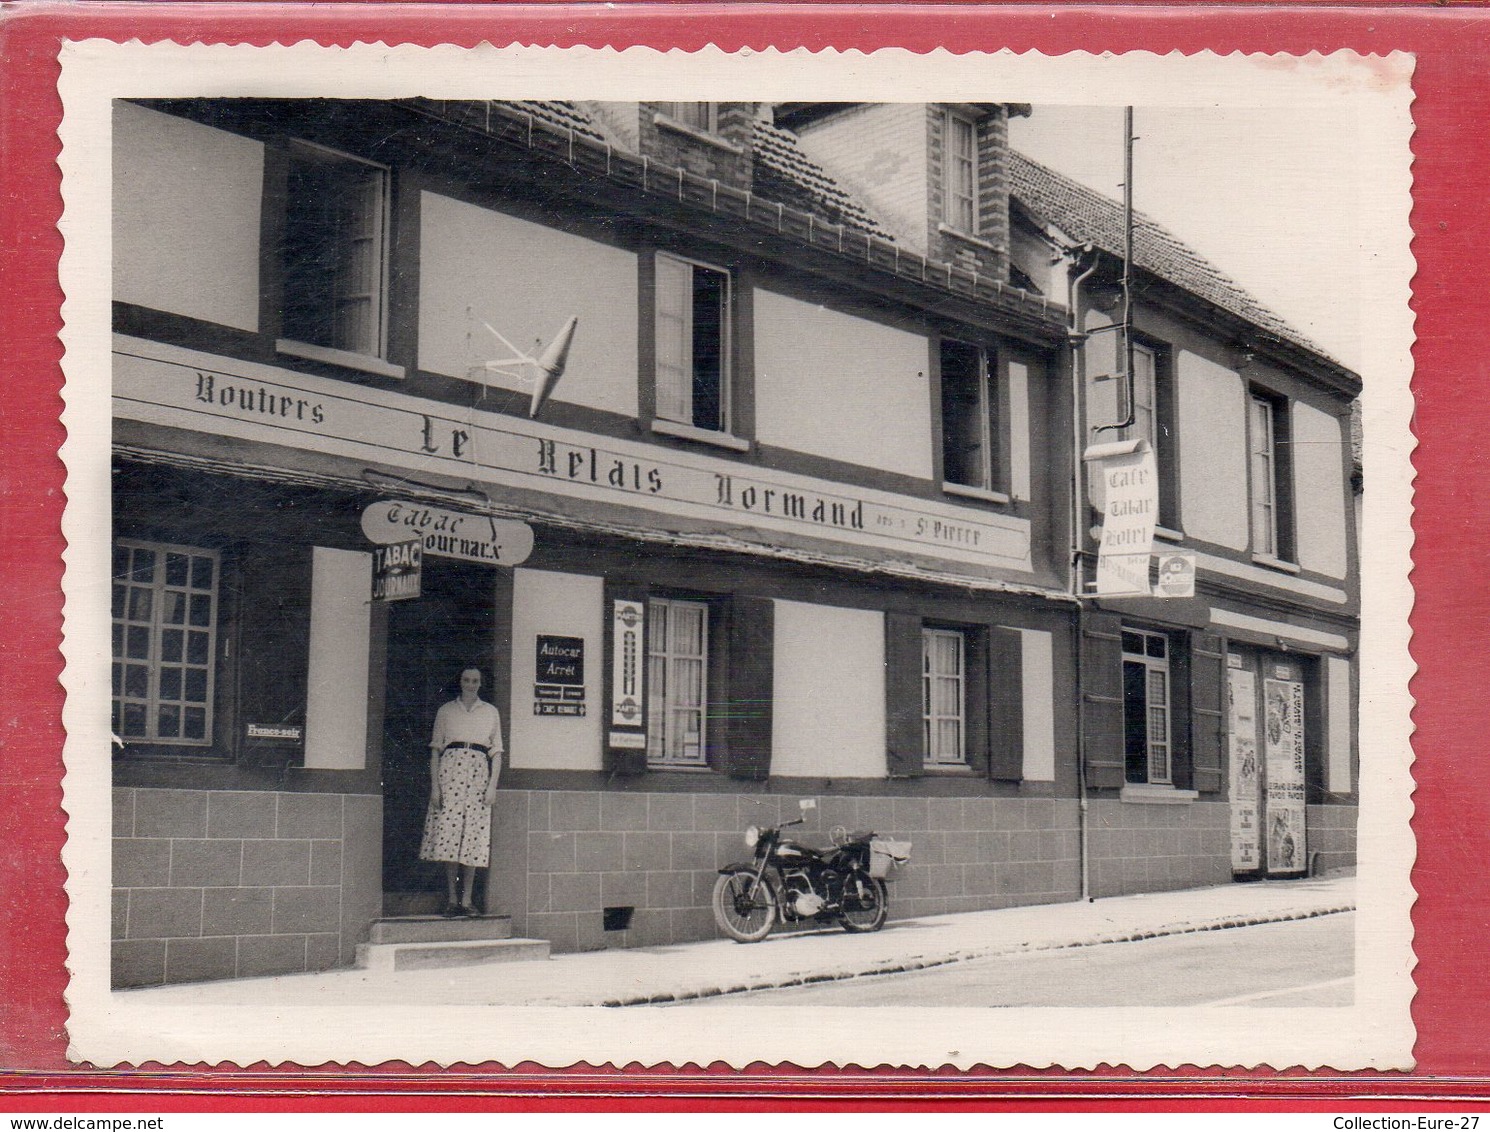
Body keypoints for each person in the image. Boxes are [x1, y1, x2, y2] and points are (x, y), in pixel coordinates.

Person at [418, 665, 503, 917]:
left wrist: (492, 787)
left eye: (475, 680)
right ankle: (452, 900)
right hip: (450, 776)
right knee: (450, 836)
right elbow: (435, 750)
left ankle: (467, 900)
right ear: (460, 682)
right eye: (466, 680)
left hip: (478, 777)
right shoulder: (446, 711)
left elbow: (497, 752)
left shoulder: (490, 712)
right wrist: (435, 787)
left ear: (481, 683)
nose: (471, 684)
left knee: (472, 839)